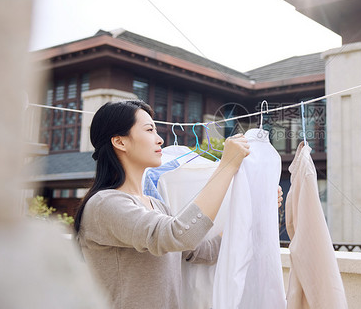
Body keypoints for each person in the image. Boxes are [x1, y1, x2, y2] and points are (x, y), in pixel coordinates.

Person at [74, 100, 259, 309]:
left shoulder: (156, 205)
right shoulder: (104, 205)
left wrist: (255, 209)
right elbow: (181, 235)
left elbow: (201, 250)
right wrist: (227, 165)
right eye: (149, 130)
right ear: (120, 142)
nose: (160, 139)